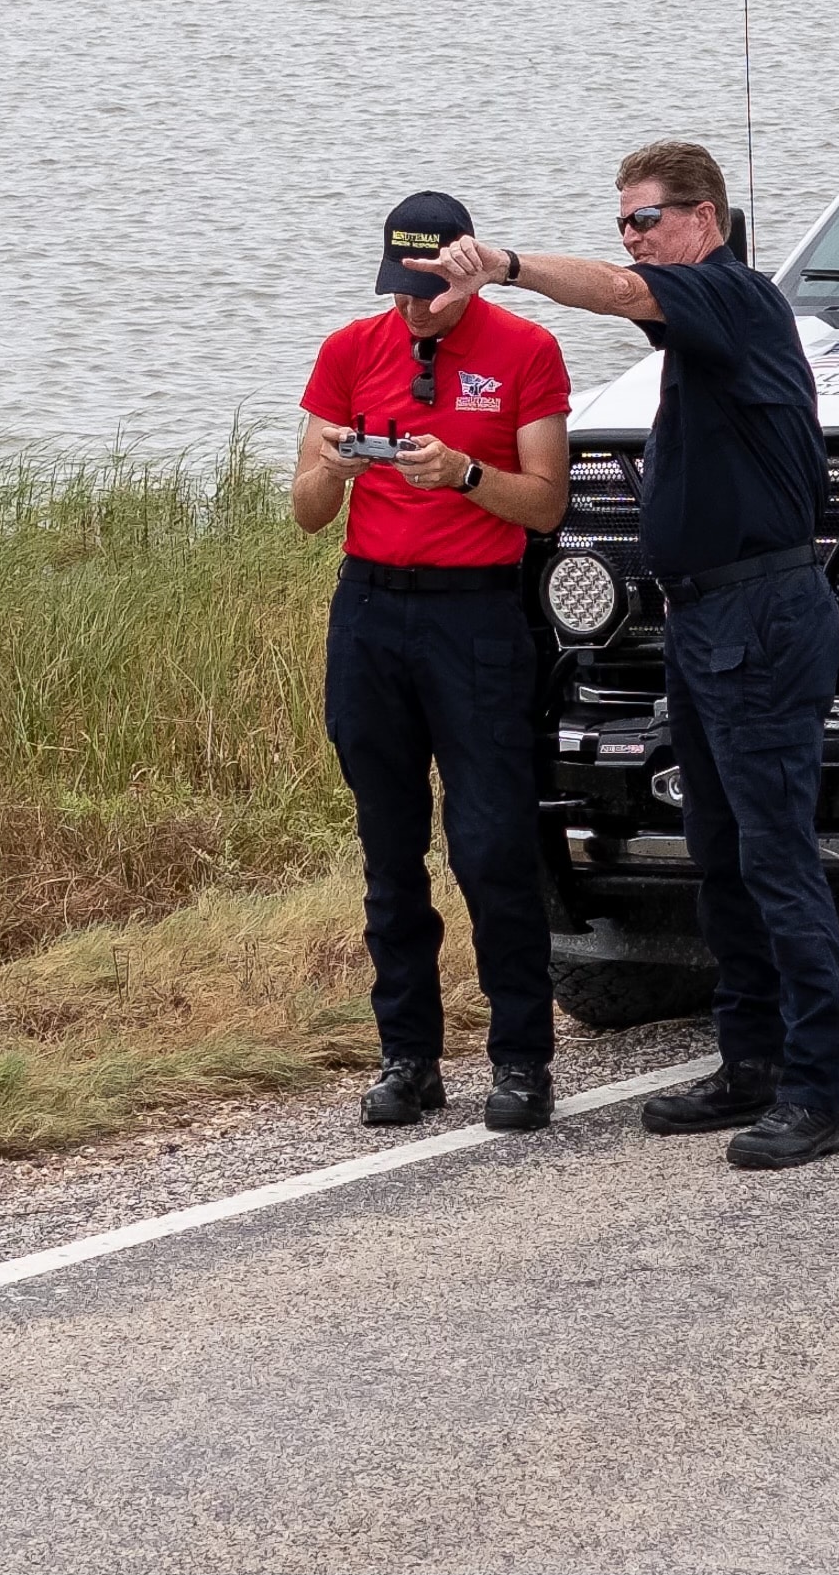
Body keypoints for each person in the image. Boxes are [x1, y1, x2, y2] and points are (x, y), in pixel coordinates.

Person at [426, 140, 839, 1170]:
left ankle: (813, 1089)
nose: (632, 238)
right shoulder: (699, 342)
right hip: (702, 618)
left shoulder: (733, 297)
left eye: (645, 217)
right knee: (719, 850)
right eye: (621, 221)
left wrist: (506, 266)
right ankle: (746, 1059)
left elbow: (619, 293)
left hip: (761, 615)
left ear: (705, 217)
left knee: (774, 852)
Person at [296, 191, 573, 1132]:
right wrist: (334, 465)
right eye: (402, 294)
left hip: (476, 615)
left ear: (467, 270)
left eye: (433, 293)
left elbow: (544, 506)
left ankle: (523, 1058)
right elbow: (304, 511)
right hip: (372, 609)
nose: (418, 310)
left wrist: (461, 473)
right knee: (388, 843)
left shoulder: (526, 351)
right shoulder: (347, 350)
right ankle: (408, 1056)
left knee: (492, 844)